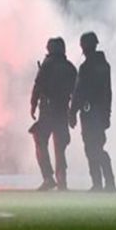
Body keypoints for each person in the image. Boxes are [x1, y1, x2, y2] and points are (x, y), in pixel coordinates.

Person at [69, 32, 116, 192]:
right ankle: (108, 182)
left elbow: (78, 92)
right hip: (100, 113)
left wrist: (72, 113)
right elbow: (108, 93)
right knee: (97, 147)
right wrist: (107, 114)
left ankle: (99, 183)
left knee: (91, 148)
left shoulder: (86, 67)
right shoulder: (105, 66)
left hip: (89, 114)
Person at [30, 37, 77, 191]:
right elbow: (75, 92)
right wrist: (72, 113)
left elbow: (38, 85)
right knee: (60, 147)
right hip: (62, 111)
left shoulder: (47, 65)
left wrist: (33, 104)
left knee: (40, 140)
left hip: (48, 112)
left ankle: (48, 178)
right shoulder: (70, 68)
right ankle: (62, 181)